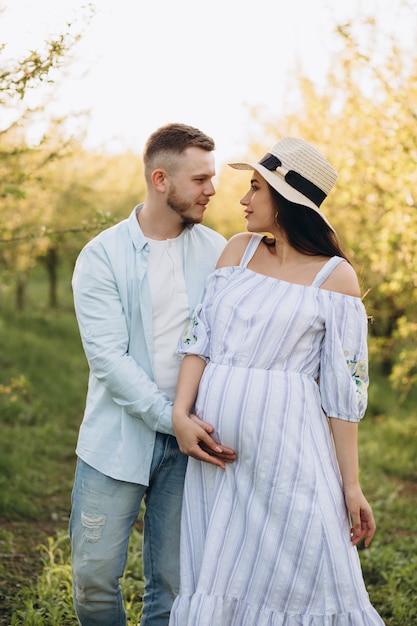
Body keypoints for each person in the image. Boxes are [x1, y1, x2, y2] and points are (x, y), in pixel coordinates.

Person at [169, 136, 385, 625]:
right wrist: (180, 414)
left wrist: (350, 485)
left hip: (289, 454)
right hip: (216, 458)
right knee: (218, 566)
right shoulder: (237, 252)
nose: (242, 200)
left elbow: (342, 395)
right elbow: (199, 339)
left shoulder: (334, 278)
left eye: (254, 189)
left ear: (286, 201)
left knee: (305, 567)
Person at [69, 122, 236, 626]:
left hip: (195, 446)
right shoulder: (101, 257)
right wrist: (172, 418)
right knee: (93, 581)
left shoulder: (218, 252)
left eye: (213, 178)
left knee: (175, 586)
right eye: (200, 179)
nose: (212, 189)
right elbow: (109, 361)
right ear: (160, 179)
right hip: (115, 442)